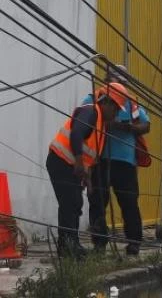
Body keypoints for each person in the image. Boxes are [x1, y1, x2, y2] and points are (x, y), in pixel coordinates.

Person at [47, 81, 125, 259]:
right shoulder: (90, 112)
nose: (117, 114)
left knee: (75, 204)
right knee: (70, 204)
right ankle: (68, 248)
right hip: (60, 161)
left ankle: (70, 245)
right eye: (116, 109)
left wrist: (88, 179)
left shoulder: (101, 125)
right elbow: (76, 134)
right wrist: (80, 163)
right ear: (106, 103)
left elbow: (91, 156)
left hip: (71, 165)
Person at [83, 66, 150, 256]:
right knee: (97, 201)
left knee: (129, 202)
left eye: (122, 84)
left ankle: (134, 242)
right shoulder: (94, 99)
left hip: (124, 160)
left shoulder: (131, 103)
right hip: (99, 159)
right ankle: (99, 243)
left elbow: (145, 125)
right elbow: (83, 119)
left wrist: (126, 127)